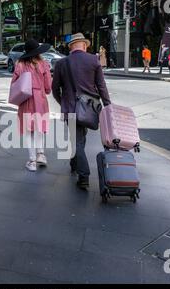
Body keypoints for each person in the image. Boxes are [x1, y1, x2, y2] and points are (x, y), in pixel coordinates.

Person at [52, 33, 112, 190]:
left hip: (70, 109)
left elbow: (54, 89)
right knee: (79, 139)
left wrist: (63, 102)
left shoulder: (61, 63)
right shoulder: (93, 60)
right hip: (89, 108)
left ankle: (80, 170)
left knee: (77, 139)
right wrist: (108, 106)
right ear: (84, 46)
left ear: (71, 46)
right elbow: (101, 86)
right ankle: (79, 169)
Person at [11, 40, 52, 172]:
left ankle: (32, 160)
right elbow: (48, 88)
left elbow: (14, 84)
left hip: (26, 100)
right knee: (40, 128)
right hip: (40, 99)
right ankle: (41, 155)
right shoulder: (44, 64)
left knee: (29, 131)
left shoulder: (20, 65)